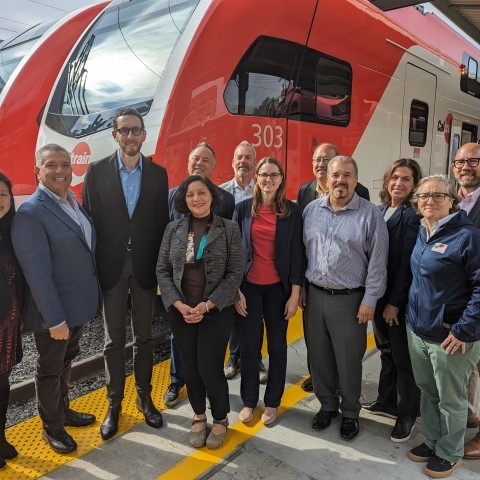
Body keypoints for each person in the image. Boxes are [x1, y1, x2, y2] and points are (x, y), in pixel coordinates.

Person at [83, 107, 169, 440]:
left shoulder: (159, 175)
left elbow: (160, 224)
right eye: (124, 131)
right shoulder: (96, 172)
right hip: (112, 266)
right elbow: (91, 224)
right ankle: (114, 404)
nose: (130, 136)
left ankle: (145, 397)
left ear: (144, 134)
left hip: (145, 266)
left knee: (145, 337)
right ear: (114, 135)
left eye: (136, 130)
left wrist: (163, 271)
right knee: (113, 340)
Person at [12, 144, 99, 454]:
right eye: (51, 165)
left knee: (66, 361)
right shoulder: (31, 213)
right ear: (39, 171)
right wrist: (55, 319)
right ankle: (52, 427)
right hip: (56, 314)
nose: (60, 170)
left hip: (77, 307)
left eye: (65, 164)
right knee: (50, 369)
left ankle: (64, 412)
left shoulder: (71, 201)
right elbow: (38, 274)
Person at [302, 155, 388, 441]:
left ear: (355, 179)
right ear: (326, 179)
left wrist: (370, 301)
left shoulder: (370, 214)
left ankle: (351, 412)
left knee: (349, 360)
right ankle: (327, 405)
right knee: (320, 356)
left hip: (351, 300)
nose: (341, 180)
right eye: (335, 175)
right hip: (314, 296)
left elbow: (378, 262)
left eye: (347, 175)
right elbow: (304, 252)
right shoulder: (312, 210)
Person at [156, 175, 244, 449]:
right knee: (191, 366)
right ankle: (198, 414)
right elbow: (162, 270)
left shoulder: (228, 228)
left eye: (202, 192)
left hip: (215, 311)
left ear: (212, 196)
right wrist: (179, 304)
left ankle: (220, 417)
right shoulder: (173, 229)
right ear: (184, 199)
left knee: (209, 365)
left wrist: (208, 305)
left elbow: (235, 273)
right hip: (181, 311)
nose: (197, 198)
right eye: (191, 194)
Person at [406, 174, 480, 478]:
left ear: (453, 201)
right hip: (419, 330)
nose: (430, 201)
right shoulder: (423, 231)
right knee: (429, 392)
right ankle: (434, 440)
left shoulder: (468, 236)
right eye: (424, 196)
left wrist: (463, 329)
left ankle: (450, 452)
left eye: (438, 196)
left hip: (451, 336)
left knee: (451, 399)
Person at [163, 142, 235, 408]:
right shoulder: (173, 196)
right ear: (187, 163)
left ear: (214, 167)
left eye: (206, 160)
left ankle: (208, 383)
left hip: (212, 286)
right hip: (182, 284)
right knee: (178, 335)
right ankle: (176, 380)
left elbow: (231, 244)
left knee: (210, 343)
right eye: (196, 159)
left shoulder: (225, 199)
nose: (200, 163)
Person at [234, 157, 305, 426]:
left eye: (274, 175)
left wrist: (295, 293)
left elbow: (298, 253)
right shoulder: (242, 210)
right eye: (264, 174)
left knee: (277, 348)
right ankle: (249, 401)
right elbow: (234, 254)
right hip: (249, 289)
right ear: (256, 177)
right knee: (250, 349)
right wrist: (236, 291)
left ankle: (273, 402)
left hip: (279, 290)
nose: (268, 179)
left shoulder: (292, 211)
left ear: (281, 179)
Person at [297, 142, 370, 392]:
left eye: (327, 160)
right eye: (318, 160)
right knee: (317, 348)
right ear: (327, 179)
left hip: (348, 293)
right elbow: (302, 247)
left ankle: (349, 407)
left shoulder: (364, 206)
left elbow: (373, 256)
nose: (322, 165)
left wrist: (370, 299)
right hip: (316, 290)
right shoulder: (307, 201)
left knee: (347, 353)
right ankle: (324, 394)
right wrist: (302, 286)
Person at [361, 159, 422, 442]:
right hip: (378, 295)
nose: (399, 183)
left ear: (414, 185)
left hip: (395, 299)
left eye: (406, 179)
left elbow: (407, 264)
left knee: (402, 358)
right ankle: (386, 400)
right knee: (385, 350)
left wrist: (394, 303)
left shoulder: (411, 216)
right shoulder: (380, 210)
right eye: (395, 177)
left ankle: (407, 413)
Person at [220, 141, 267, 384]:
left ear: (255, 163)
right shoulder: (221, 192)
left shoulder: (262, 192)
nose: (243, 161)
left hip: (254, 264)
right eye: (239, 156)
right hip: (228, 265)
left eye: (248, 157)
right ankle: (234, 357)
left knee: (254, 314)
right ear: (233, 161)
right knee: (232, 313)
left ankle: (256, 357)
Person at [450, 143, 480, 459]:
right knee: (468, 369)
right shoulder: (450, 200)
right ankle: (471, 414)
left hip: (477, 302)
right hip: (456, 305)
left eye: (473, 160)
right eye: (460, 161)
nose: (466, 166)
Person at [0, 173, 23, 468]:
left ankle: (0, 436)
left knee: (3, 383)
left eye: (3, 195)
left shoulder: (11, 231)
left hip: (8, 325)